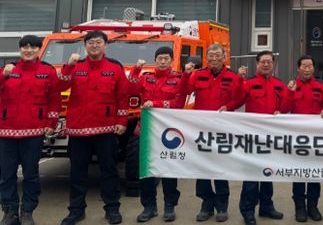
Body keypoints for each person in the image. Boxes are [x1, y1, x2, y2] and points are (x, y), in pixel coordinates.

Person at [57, 30, 129, 225]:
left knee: (109, 171)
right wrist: (68, 67)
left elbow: (122, 96)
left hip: (105, 129)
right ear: (85, 45)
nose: (94, 46)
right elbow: (60, 86)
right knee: (77, 172)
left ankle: (112, 209)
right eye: (90, 42)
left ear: (105, 45)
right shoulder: (75, 66)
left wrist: (122, 121)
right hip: (78, 129)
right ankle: (76, 210)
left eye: (98, 42)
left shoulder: (114, 67)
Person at [0, 35, 60, 225]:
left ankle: (27, 211)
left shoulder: (47, 72)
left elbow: (54, 99)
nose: (28, 50)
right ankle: (10, 211)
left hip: (33, 133)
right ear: (19, 50)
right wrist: (3, 76)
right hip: (6, 133)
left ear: (39, 50)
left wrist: (51, 123)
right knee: (6, 175)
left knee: (31, 175)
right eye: (25, 47)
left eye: (33, 47)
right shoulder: (8, 70)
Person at [180, 43, 243, 222]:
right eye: (211, 56)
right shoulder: (197, 75)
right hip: (201, 130)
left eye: (218, 55)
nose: (214, 59)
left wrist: (228, 107)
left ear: (224, 58)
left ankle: (222, 206)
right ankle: (206, 205)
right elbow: (185, 92)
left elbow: (239, 98)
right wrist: (186, 75)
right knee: (202, 168)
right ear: (206, 58)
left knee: (219, 168)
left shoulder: (233, 77)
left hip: (222, 130)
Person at [128, 46, 190, 223]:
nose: (162, 61)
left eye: (166, 58)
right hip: (146, 129)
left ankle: (170, 206)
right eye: (159, 58)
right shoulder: (146, 77)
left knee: (169, 169)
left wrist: (154, 103)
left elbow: (178, 102)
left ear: (171, 60)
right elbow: (131, 89)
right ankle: (149, 207)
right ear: (155, 60)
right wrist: (136, 69)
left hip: (169, 132)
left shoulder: (179, 78)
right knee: (146, 170)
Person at [233, 50, 289, 225]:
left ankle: (266, 207)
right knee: (251, 176)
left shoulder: (279, 84)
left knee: (268, 173)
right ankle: (248, 210)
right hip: (252, 137)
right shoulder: (248, 83)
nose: (266, 64)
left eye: (269, 62)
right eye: (263, 62)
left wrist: (284, 107)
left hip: (271, 137)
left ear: (273, 64)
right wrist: (239, 80)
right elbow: (236, 100)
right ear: (257, 64)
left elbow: (287, 105)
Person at [285, 55, 323, 222]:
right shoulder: (292, 86)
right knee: (299, 174)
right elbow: (284, 108)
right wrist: (290, 92)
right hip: (298, 139)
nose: (307, 69)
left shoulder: (320, 87)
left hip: (316, 138)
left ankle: (313, 206)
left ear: (314, 68)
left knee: (314, 174)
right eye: (304, 66)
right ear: (298, 68)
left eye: (310, 66)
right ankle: (300, 208)